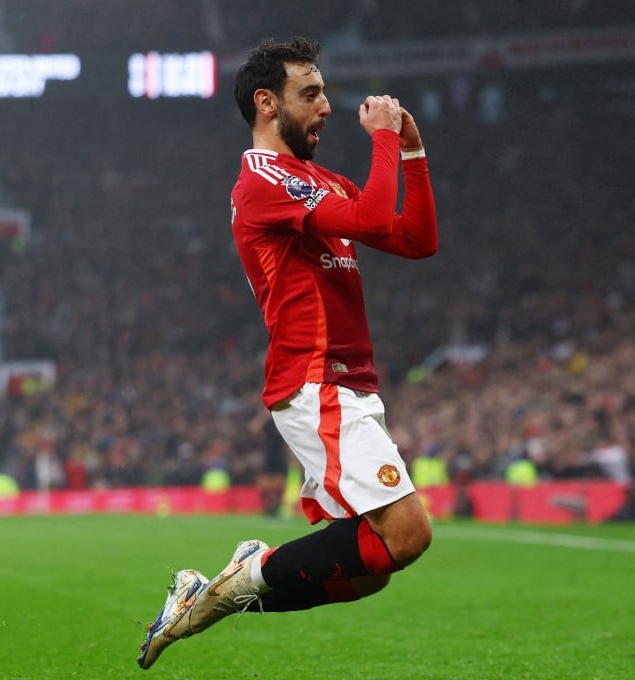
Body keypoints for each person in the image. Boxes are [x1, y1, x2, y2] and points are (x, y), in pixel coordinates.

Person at [138, 36, 438, 670]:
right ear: (267, 103)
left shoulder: (317, 178)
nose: (327, 106)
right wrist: (383, 136)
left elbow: (415, 238)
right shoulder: (263, 178)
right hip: (314, 378)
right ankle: (247, 574)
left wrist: (411, 148)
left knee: (369, 570)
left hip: (351, 383)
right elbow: (373, 213)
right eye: (312, 93)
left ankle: (219, 594)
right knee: (408, 533)